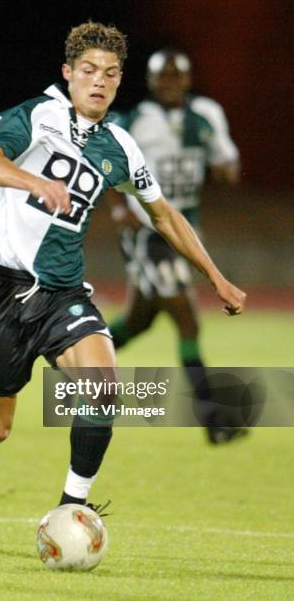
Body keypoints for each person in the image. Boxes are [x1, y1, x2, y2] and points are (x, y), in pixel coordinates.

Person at [0, 23, 246, 543]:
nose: (98, 82)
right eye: (88, 71)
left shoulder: (121, 146)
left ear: (120, 79)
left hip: (63, 292)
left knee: (102, 389)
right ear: (68, 74)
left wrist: (216, 277)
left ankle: (71, 513)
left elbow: (165, 215)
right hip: (2, 290)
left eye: (109, 73)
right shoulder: (41, 115)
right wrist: (36, 180)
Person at [108, 48, 244, 444]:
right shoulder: (134, 121)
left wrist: (224, 165)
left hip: (184, 228)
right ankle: (212, 418)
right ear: (150, 82)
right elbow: (109, 164)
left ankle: (71, 361)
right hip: (148, 232)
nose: (169, 83)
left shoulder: (206, 114)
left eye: (175, 76)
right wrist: (120, 208)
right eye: (161, 77)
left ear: (187, 80)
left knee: (140, 319)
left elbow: (227, 165)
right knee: (187, 318)